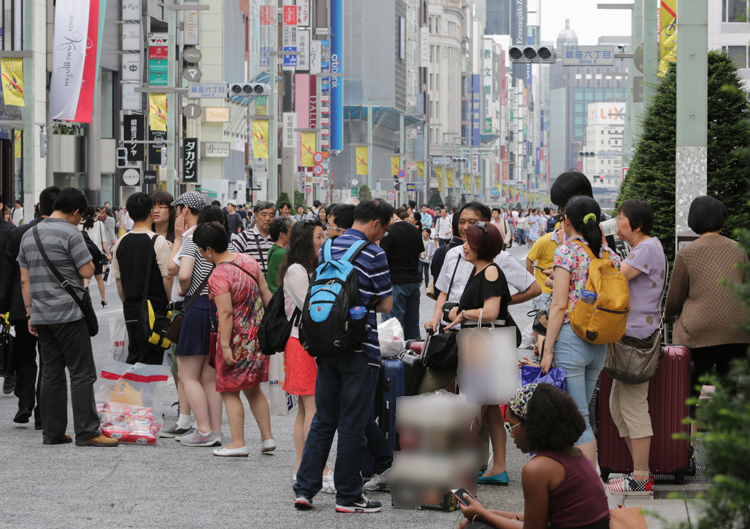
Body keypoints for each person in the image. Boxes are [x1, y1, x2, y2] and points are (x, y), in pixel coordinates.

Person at [293, 199, 394, 514]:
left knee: (324, 419)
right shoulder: (374, 253)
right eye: (386, 228)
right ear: (376, 223)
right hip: (360, 349)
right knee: (352, 422)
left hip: (325, 344)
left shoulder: (328, 248)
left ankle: (305, 489)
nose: (384, 234)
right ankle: (348, 495)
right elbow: (387, 305)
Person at [17, 187, 118, 447]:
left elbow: (24, 280)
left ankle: (53, 432)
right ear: (75, 212)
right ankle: (87, 431)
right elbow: (86, 271)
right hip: (69, 314)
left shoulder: (29, 235)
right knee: (82, 372)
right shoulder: (71, 233)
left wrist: (30, 313)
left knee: (51, 372)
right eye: (80, 216)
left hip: (41, 314)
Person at [458, 384, 611, 529]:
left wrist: (482, 514)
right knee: (477, 523)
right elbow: (534, 519)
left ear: (532, 425)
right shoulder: (574, 456)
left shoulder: (538, 469)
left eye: (511, 425)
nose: (511, 433)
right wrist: (483, 513)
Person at [541, 195, 622, 466]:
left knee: (579, 420)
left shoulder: (567, 251)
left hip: (571, 340)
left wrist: (547, 349)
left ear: (566, 221)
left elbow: (559, 306)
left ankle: (590, 485)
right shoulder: (609, 253)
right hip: (599, 340)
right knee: (580, 414)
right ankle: (577, 478)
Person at [194, 221, 275, 457]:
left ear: (209, 249)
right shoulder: (248, 260)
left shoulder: (219, 275)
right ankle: (267, 438)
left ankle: (238, 443)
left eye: (201, 249)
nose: (200, 253)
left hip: (236, 338)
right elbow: (266, 292)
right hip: (257, 337)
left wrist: (226, 345)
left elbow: (226, 313)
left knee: (229, 391)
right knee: (254, 389)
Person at [604, 199, 667, 495]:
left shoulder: (646, 248)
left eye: (621, 217)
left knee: (632, 406)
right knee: (618, 407)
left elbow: (616, 276)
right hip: (629, 337)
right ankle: (639, 472)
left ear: (637, 224)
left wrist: (601, 245)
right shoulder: (644, 248)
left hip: (636, 341)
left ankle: (642, 475)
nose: (617, 222)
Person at [443, 221, 512, 484]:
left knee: (473, 409)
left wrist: (463, 314)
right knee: (491, 409)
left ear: (482, 246)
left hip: (485, 342)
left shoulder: (491, 272)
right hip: (485, 341)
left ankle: (464, 469)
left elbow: (492, 311)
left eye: (470, 242)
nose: (464, 246)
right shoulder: (480, 270)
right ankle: (499, 469)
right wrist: (459, 311)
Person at [664, 196, 750, 404]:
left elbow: (675, 297)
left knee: (689, 393)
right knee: (728, 393)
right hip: (736, 333)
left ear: (694, 220)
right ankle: (725, 434)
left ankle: (689, 435)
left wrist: (668, 315)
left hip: (698, 334)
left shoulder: (688, 253)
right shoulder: (739, 250)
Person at [279, 220, 334, 489]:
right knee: (312, 408)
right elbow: (312, 307)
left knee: (305, 409)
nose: (323, 241)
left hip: (302, 343)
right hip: (303, 344)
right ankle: (317, 468)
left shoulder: (304, 268)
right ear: (304, 240)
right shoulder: (297, 271)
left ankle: (303, 466)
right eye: (318, 236)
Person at [170, 201, 228, 447]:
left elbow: (182, 274)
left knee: (187, 374)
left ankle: (203, 431)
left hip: (196, 308)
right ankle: (215, 431)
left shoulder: (192, 240)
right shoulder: (227, 241)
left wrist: (184, 290)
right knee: (208, 377)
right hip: (218, 308)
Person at [161, 192, 206, 439]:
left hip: (187, 306)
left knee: (183, 370)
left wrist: (177, 238)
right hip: (208, 305)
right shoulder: (214, 233)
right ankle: (203, 425)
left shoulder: (189, 237)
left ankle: (187, 421)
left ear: (185, 210)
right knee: (204, 373)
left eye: (178, 210)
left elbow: (172, 270)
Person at [112, 192, 173, 366]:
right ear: (151, 212)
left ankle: (131, 393)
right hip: (155, 312)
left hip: (131, 310)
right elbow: (167, 277)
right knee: (150, 363)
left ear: (129, 215)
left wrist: (128, 302)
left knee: (134, 359)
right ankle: (143, 394)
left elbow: (119, 281)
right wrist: (170, 302)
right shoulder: (157, 241)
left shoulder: (120, 242)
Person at [380, 209, 423, 341]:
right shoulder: (414, 230)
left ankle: (396, 358)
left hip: (396, 283)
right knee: (412, 324)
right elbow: (419, 254)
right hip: (414, 282)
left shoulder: (389, 233)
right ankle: (413, 355)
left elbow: (381, 258)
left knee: (393, 326)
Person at [230, 201, 275, 276]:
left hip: (274, 286)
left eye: (271, 215)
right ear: (256, 216)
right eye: (264, 215)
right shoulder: (245, 236)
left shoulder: (278, 237)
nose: (267, 218)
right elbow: (230, 260)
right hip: (251, 286)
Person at [79, 206, 112, 307]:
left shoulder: (79, 225)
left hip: (84, 254)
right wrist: (109, 254)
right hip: (96, 254)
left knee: (86, 278)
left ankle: (84, 297)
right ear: (94, 213)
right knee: (99, 278)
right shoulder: (99, 224)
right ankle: (103, 299)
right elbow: (104, 241)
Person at [431, 213, 463, 290]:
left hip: (440, 297)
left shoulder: (439, 252)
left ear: (452, 229)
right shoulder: (473, 254)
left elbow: (433, 272)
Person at [266, 217, 294, 294]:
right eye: (290, 232)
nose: (292, 235)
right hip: (278, 292)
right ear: (282, 234)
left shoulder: (273, 249)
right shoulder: (282, 253)